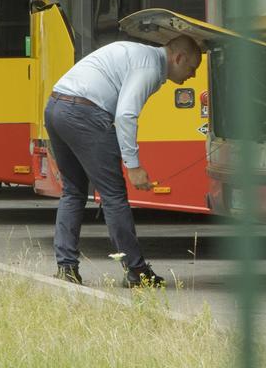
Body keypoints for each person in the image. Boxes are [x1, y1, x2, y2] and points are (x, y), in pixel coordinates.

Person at [45, 35, 202, 288]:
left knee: (73, 191)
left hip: (55, 106)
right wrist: (134, 166)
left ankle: (67, 268)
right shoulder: (149, 67)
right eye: (191, 68)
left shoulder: (140, 55)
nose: (192, 76)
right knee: (114, 195)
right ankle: (136, 271)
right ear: (178, 58)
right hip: (84, 112)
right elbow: (126, 114)